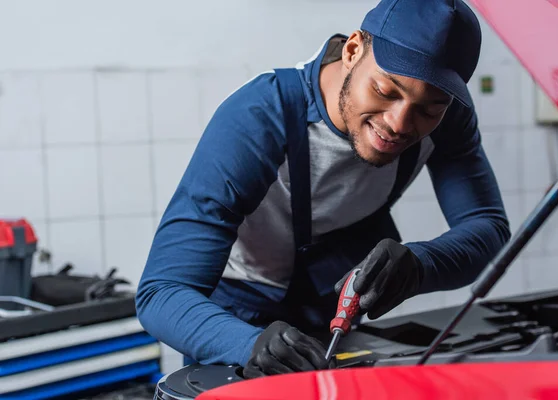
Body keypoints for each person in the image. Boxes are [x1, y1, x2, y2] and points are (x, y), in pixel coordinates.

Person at [136, 0, 511, 379]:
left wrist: (420, 264)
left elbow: (488, 227)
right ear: (352, 50)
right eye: (385, 90)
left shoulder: (449, 117)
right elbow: (162, 292)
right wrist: (245, 344)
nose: (399, 123)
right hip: (236, 315)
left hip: (332, 310)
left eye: (429, 110)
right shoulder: (258, 117)